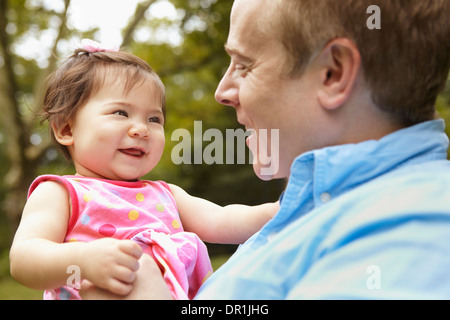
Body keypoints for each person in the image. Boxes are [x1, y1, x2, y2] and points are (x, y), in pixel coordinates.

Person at [103, 0, 450, 300]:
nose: (222, 91)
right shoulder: (309, 213)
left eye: (243, 64)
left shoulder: (416, 225)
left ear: (333, 73)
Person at [8, 39, 278, 300]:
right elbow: (24, 260)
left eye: (153, 118)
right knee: (140, 271)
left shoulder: (165, 194)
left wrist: (281, 209)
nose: (141, 129)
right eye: (120, 113)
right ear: (67, 129)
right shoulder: (61, 193)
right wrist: (83, 262)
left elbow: (223, 220)